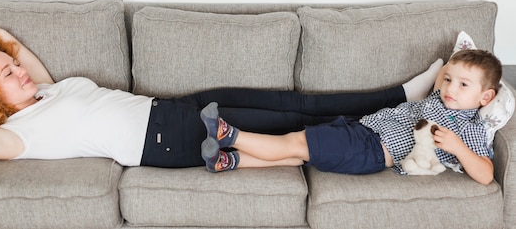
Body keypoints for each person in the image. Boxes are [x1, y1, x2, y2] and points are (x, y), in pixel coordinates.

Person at [0, 27, 442, 169]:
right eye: (7, 76)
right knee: (294, 123)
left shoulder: (45, 92)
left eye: (13, 68)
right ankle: (403, 107)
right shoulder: (16, 135)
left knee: (297, 101)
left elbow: (1, 34)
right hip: (171, 140)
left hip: (177, 107)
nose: (19, 70)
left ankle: (400, 97)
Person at [199, 49, 501, 185]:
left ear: (485, 98)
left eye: (464, 85)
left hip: (368, 150)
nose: (450, 88)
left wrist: (457, 147)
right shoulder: (440, 98)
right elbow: (446, 75)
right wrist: (454, 71)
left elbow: (486, 174)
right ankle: (228, 161)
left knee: (294, 142)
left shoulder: (468, 128)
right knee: (301, 155)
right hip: (361, 129)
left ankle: (230, 135)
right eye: (449, 79)